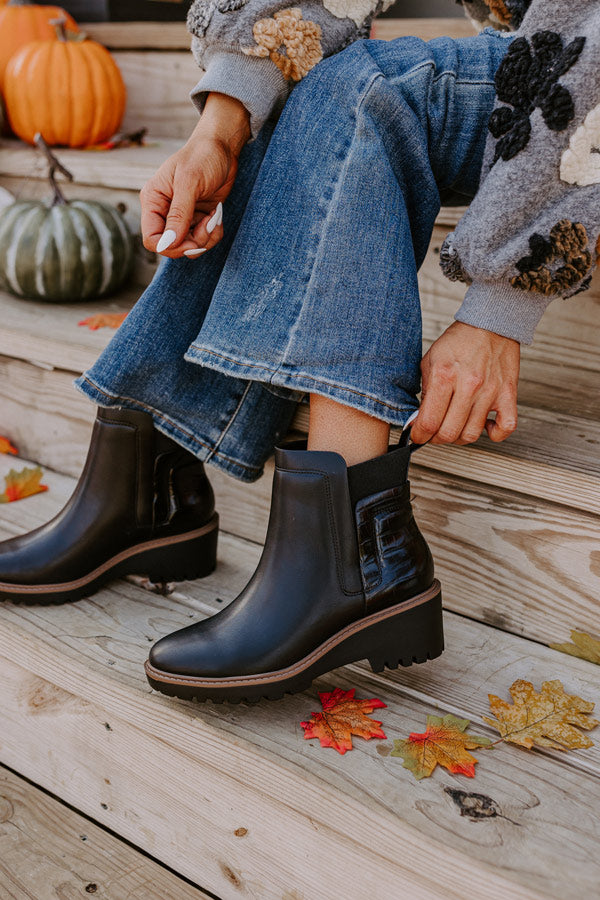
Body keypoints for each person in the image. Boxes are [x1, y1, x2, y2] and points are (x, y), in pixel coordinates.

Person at [0, 0, 597, 703]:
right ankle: (150, 469)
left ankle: (348, 554)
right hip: (529, 59)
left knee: (369, 87)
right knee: (283, 88)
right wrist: (219, 132)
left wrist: (502, 304)